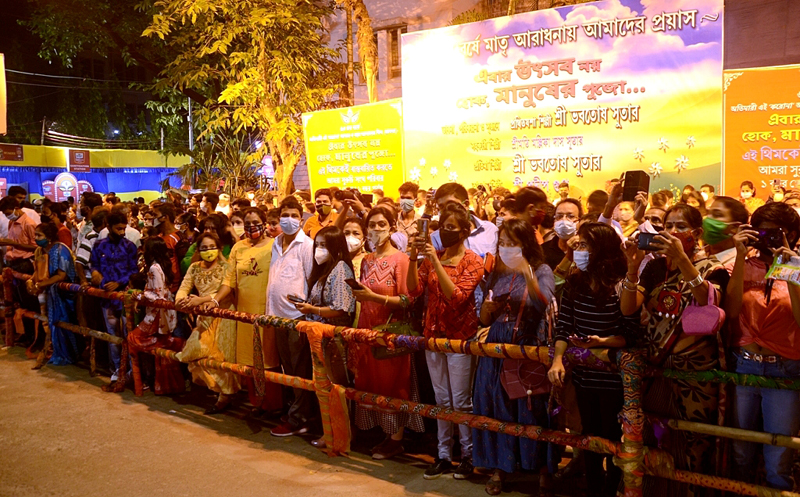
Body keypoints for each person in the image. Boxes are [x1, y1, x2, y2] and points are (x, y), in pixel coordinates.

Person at [621, 204, 729, 497]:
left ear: (696, 233)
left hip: (696, 372)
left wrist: (683, 260)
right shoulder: (656, 267)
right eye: (667, 226)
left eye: (679, 226)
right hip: (656, 367)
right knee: (654, 437)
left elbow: (707, 302)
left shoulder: (714, 267)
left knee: (694, 443)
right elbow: (628, 308)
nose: (670, 232)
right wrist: (632, 270)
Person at [549, 222, 633, 497]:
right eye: (579, 245)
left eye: (584, 246)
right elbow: (564, 324)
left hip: (613, 376)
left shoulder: (622, 286)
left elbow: (631, 335)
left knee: (612, 437)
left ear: (601, 250)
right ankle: (594, 488)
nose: (579, 251)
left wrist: (601, 343)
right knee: (589, 434)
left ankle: (612, 489)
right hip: (584, 375)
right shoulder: (576, 281)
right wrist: (558, 360)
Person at [473, 218, 556, 495]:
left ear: (527, 244)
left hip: (527, 345)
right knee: (495, 406)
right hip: (496, 344)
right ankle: (500, 467)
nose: (507, 249)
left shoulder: (541, 269)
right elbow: (483, 318)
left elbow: (543, 301)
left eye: (513, 243)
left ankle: (542, 470)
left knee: (531, 407)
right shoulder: (496, 272)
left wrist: (527, 274)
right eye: (503, 243)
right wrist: (487, 307)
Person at [725, 203, 800, 490]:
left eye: (774, 232)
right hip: (744, 364)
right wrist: (741, 257)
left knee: (779, 457)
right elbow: (731, 313)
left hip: (785, 368)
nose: (766, 238)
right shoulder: (741, 264)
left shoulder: (798, 265)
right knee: (740, 451)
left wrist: (791, 268)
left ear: (791, 233)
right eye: (760, 232)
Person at [409, 202, 485, 480]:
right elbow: (413, 289)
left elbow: (457, 297)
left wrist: (435, 262)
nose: (445, 232)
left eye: (451, 227)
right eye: (442, 226)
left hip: (459, 340)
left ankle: (468, 456)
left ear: (465, 231)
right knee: (441, 401)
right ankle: (443, 456)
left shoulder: (473, 261)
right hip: (433, 337)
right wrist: (414, 257)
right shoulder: (434, 256)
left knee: (461, 401)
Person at [350, 205, 424, 459]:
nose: (377, 229)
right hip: (367, 330)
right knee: (370, 381)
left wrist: (375, 298)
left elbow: (408, 300)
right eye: (372, 225)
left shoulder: (401, 259)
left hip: (391, 334)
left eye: (382, 224)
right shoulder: (367, 260)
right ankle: (379, 433)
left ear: (392, 228)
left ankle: (396, 439)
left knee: (394, 385)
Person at [202, 207, 284, 417]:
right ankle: (256, 403)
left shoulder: (276, 245)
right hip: (244, 314)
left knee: (269, 360)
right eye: (246, 225)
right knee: (248, 359)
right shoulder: (238, 248)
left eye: (255, 222)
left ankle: (274, 406)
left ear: (264, 222)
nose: (251, 228)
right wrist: (215, 299)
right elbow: (229, 280)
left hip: (268, 312)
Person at [175, 232, 240, 414]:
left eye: (212, 247)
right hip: (203, 317)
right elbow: (183, 289)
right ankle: (218, 391)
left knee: (222, 356)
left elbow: (226, 290)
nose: (208, 251)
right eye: (204, 248)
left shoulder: (226, 267)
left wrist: (201, 300)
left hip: (224, 316)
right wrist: (183, 301)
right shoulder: (195, 267)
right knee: (195, 352)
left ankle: (224, 397)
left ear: (219, 249)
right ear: (198, 250)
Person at [266, 198, 315, 437]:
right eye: (285, 214)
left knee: (300, 369)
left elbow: (311, 281)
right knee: (288, 368)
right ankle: (295, 410)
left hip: (296, 318)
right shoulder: (275, 243)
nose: (289, 219)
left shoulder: (307, 245)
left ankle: (300, 418)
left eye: (294, 215)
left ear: (301, 218)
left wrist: (307, 312)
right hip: (277, 316)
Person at [126, 237, 184, 395]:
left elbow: (157, 295)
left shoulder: (154, 268)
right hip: (163, 313)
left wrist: (139, 296)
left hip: (156, 313)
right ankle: (165, 386)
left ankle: (177, 344)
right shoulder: (162, 266)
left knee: (133, 338)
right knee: (161, 347)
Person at [89, 212, 139, 391]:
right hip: (107, 297)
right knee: (112, 335)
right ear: (108, 226)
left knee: (129, 333)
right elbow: (93, 265)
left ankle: (133, 372)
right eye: (118, 228)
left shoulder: (130, 246)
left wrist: (119, 283)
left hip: (124, 296)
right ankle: (116, 370)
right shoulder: (99, 245)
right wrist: (99, 278)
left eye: (124, 228)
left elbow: (134, 270)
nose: (122, 232)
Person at [29, 222, 79, 368]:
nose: (36, 238)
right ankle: (60, 353)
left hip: (65, 295)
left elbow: (61, 275)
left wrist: (41, 285)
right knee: (54, 323)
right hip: (54, 293)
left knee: (66, 322)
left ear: (49, 237)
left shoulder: (60, 250)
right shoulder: (43, 250)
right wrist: (32, 281)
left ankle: (71, 354)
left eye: (39, 235)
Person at [702, 196, 750, 267]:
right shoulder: (699, 255)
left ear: (735, 227)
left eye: (717, 215)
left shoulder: (738, 265)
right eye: (707, 213)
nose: (707, 219)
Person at [543, 198, 582, 270]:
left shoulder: (585, 250)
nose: (564, 220)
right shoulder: (542, 251)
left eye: (571, 216)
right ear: (554, 220)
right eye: (559, 216)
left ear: (579, 221)